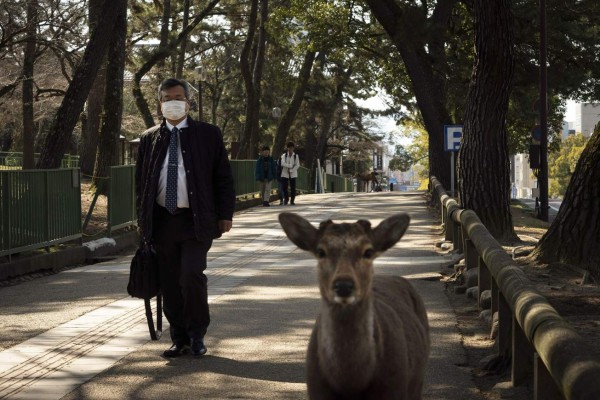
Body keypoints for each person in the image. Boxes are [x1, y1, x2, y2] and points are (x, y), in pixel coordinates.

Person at [135, 78, 235, 358]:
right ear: (160, 104)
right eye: (167, 98)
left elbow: (223, 178)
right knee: (169, 281)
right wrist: (142, 222)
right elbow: (141, 183)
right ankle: (178, 337)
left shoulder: (208, 134)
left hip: (196, 219)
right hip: (162, 221)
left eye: (178, 97)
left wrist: (225, 214)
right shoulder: (149, 138)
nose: (173, 102)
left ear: (189, 102)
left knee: (191, 275)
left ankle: (197, 334)